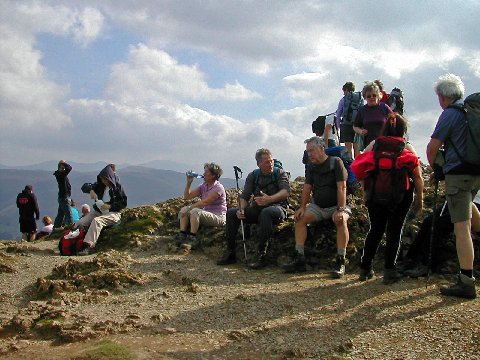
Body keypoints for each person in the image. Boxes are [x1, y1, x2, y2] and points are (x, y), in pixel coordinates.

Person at [426, 73, 480, 299]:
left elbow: (432, 147)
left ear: (442, 97)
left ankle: (466, 281)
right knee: (469, 207)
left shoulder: (450, 114)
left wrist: (435, 169)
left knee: (461, 227)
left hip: (458, 174)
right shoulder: (472, 111)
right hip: (476, 172)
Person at [354, 114, 423, 284]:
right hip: (400, 196)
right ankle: (389, 271)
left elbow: (359, 166)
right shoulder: (406, 146)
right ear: (403, 130)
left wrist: (365, 190)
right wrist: (420, 197)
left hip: (375, 194)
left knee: (375, 229)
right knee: (394, 231)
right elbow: (417, 176)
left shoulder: (375, 144)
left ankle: (365, 268)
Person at [282, 136, 351, 277]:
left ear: (321, 149)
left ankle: (340, 260)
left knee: (340, 220)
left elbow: (342, 187)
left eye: (311, 151)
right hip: (318, 206)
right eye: (308, 152)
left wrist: (341, 209)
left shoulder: (336, 162)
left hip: (337, 205)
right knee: (300, 219)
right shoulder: (312, 166)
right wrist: (302, 207)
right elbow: (307, 188)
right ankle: (299, 258)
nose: (309, 154)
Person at [217, 148, 290, 268]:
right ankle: (230, 252)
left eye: (271, 161)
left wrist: (270, 199)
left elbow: (285, 192)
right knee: (231, 213)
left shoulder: (280, 173)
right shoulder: (253, 176)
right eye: (267, 162)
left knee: (266, 212)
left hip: (278, 208)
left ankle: (262, 254)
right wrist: (241, 209)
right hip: (257, 209)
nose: (270, 164)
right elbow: (245, 196)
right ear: (259, 164)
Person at [401, 192, 480, 278]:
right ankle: (411, 258)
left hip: (473, 203)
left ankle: (426, 264)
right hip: (459, 197)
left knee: (439, 225)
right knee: (428, 221)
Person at [74, 164, 127, 254]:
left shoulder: (117, 187)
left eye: (105, 179)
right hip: (99, 211)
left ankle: (89, 246)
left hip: (114, 213)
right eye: (102, 179)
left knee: (97, 221)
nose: (103, 181)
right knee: (80, 223)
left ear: (109, 177)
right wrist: (91, 190)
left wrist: (110, 206)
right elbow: (85, 186)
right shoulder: (100, 186)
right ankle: (74, 242)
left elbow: (123, 203)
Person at [176, 163, 227, 250]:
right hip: (207, 214)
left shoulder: (218, 188)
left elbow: (205, 202)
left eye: (206, 172)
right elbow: (187, 197)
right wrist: (189, 182)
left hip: (218, 217)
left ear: (213, 175)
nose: (203, 174)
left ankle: (193, 238)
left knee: (194, 211)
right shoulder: (204, 186)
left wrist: (188, 208)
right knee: (183, 211)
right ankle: (182, 234)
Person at [353, 82, 394, 158]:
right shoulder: (362, 110)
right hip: (369, 144)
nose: (372, 97)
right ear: (365, 97)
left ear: (378, 96)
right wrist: (361, 131)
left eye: (374, 95)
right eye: (369, 96)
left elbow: (394, 120)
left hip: (385, 142)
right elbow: (355, 126)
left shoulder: (384, 107)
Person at [336, 81, 359, 158]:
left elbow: (338, 113)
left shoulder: (343, 100)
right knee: (356, 146)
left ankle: (350, 165)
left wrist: (338, 125)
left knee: (348, 148)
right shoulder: (359, 98)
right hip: (357, 125)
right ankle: (358, 165)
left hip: (346, 124)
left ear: (346, 90)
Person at [53, 160, 73, 228]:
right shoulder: (61, 175)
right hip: (64, 197)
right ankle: (71, 228)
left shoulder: (60, 175)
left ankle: (56, 228)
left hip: (62, 197)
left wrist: (62, 164)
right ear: (59, 168)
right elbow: (69, 168)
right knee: (69, 214)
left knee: (60, 215)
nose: (64, 169)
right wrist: (63, 163)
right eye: (62, 168)